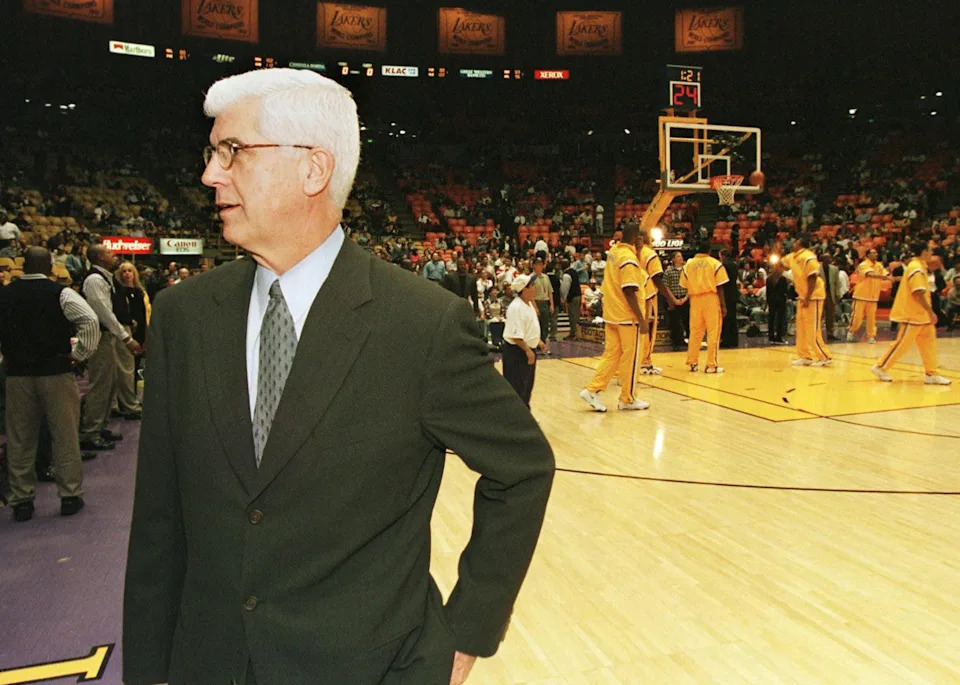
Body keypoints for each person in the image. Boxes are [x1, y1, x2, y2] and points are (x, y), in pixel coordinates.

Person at [123, 68, 554, 685]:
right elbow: (159, 527)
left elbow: (523, 467)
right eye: (214, 153)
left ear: (313, 169)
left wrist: (468, 629)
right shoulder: (183, 316)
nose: (210, 174)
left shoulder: (422, 325)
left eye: (232, 152)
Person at [0, 247, 100, 521]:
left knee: (20, 439)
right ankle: (69, 495)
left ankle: (21, 501)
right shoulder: (61, 293)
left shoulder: (5, 293)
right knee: (64, 435)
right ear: (49, 266)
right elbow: (90, 320)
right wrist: (79, 354)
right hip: (55, 372)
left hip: (17, 375)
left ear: (23, 266)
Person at [578, 222, 650, 412]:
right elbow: (629, 290)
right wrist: (641, 318)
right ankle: (627, 398)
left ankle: (592, 389)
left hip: (611, 314)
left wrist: (638, 249)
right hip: (627, 317)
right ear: (636, 238)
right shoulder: (628, 259)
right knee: (631, 358)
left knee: (611, 356)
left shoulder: (615, 252)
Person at [78, 244, 142, 450]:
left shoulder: (106, 277)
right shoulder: (95, 279)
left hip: (108, 336)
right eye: (109, 253)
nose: (114, 255)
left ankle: (100, 425)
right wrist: (126, 338)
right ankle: (90, 432)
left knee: (111, 382)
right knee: (101, 384)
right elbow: (104, 313)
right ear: (99, 257)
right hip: (100, 336)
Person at [872, 241, 951, 385]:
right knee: (902, 343)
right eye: (930, 251)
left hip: (922, 316)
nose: (932, 254)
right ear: (923, 252)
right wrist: (931, 312)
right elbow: (918, 293)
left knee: (929, 344)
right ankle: (880, 367)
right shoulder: (916, 268)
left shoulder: (919, 267)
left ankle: (931, 373)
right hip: (913, 314)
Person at [781, 238, 832, 367]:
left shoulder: (809, 257)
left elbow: (812, 277)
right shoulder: (792, 256)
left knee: (812, 328)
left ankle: (824, 356)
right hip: (802, 295)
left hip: (813, 296)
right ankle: (805, 356)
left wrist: (808, 297)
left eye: (795, 241)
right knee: (801, 328)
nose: (792, 243)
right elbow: (781, 263)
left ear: (800, 244)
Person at [637, 228, 682, 374]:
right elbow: (657, 278)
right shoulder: (650, 254)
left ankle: (635, 362)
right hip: (647, 295)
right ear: (648, 239)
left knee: (636, 330)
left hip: (633, 295)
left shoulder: (631, 253)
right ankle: (645, 363)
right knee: (648, 330)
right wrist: (669, 299)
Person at [680, 241, 729, 373]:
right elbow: (719, 286)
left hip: (694, 299)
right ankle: (711, 365)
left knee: (695, 332)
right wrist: (723, 305)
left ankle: (693, 362)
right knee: (713, 332)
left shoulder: (688, 265)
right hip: (710, 298)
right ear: (709, 251)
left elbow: (683, 285)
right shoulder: (715, 263)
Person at [113, 261, 151, 419]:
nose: (127, 274)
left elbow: (145, 315)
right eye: (124, 271)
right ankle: (124, 403)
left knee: (134, 369)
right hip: (125, 335)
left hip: (141, 333)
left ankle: (132, 399)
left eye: (129, 271)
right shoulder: (118, 292)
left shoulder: (141, 292)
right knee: (124, 372)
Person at [502, 274, 548, 406]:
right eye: (532, 285)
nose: (535, 287)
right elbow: (515, 336)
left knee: (527, 387)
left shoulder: (529, 304)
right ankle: (515, 420)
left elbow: (528, 327)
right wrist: (528, 351)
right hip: (517, 352)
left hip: (527, 349)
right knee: (517, 387)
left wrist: (538, 342)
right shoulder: (516, 307)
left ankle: (525, 415)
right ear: (525, 289)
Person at [846, 248, 887, 343]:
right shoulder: (863, 265)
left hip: (873, 296)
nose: (875, 254)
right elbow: (870, 274)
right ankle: (851, 332)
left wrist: (898, 278)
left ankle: (871, 336)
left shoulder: (879, 265)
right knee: (857, 316)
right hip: (861, 295)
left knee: (872, 318)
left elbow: (886, 274)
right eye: (873, 253)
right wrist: (884, 276)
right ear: (867, 255)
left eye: (876, 252)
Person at [663, 252, 689, 351]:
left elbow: (691, 284)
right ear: (673, 259)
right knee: (675, 322)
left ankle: (689, 340)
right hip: (674, 297)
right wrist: (673, 299)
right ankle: (677, 342)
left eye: (681, 256)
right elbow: (666, 286)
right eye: (678, 256)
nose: (681, 258)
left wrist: (686, 298)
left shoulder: (686, 270)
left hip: (685, 297)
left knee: (687, 321)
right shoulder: (668, 271)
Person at [529, 258, 554, 348]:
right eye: (538, 264)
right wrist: (535, 307)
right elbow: (530, 294)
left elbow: (550, 292)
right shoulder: (531, 277)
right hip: (536, 302)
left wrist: (551, 304)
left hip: (545, 302)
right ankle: (536, 343)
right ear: (534, 266)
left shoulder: (546, 277)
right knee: (537, 324)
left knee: (545, 324)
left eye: (541, 264)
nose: (540, 266)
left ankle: (543, 342)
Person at [719, 248, 740, 348]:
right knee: (733, 318)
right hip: (734, 294)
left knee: (726, 318)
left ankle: (726, 340)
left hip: (726, 294)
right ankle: (734, 340)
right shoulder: (734, 265)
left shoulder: (724, 266)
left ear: (722, 256)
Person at [766, 257, 789, 344]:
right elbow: (784, 291)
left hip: (771, 301)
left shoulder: (769, 278)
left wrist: (768, 301)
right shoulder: (782, 279)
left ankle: (771, 336)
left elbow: (768, 292)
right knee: (780, 319)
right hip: (780, 301)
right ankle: (779, 336)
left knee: (771, 318)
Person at [820, 253, 841, 341]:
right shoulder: (817, 268)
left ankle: (830, 333)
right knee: (819, 315)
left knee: (830, 315)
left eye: (829, 258)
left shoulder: (834, 269)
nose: (828, 260)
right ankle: (817, 332)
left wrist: (837, 294)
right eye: (826, 258)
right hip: (820, 294)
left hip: (830, 294)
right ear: (822, 259)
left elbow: (837, 283)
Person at [559, 258, 581, 340]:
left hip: (572, 297)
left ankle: (574, 334)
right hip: (578, 295)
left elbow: (565, 287)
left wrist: (563, 298)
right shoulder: (574, 271)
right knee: (576, 315)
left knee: (572, 316)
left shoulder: (566, 275)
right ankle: (575, 333)